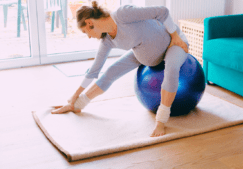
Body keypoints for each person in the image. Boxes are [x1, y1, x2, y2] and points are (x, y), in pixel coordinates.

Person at [51, 1, 189, 137]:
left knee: (171, 68)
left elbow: (162, 11)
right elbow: (94, 70)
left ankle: (161, 121)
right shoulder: (107, 40)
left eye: (85, 32)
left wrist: (175, 36)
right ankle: (80, 105)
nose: (88, 36)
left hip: (172, 43)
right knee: (111, 71)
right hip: (144, 53)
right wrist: (75, 98)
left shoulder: (123, 14)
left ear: (89, 23)